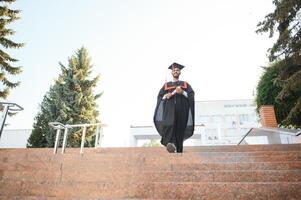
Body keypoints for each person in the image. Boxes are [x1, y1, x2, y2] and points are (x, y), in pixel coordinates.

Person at [153, 62, 195, 153]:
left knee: (179, 129)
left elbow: (191, 95)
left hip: (181, 111)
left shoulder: (185, 84)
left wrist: (182, 92)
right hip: (169, 111)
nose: (175, 71)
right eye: (174, 70)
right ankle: (170, 143)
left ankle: (177, 150)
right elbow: (160, 97)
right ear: (171, 72)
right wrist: (166, 96)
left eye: (177, 70)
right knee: (169, 124)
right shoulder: (166, 86)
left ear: (180, 72)